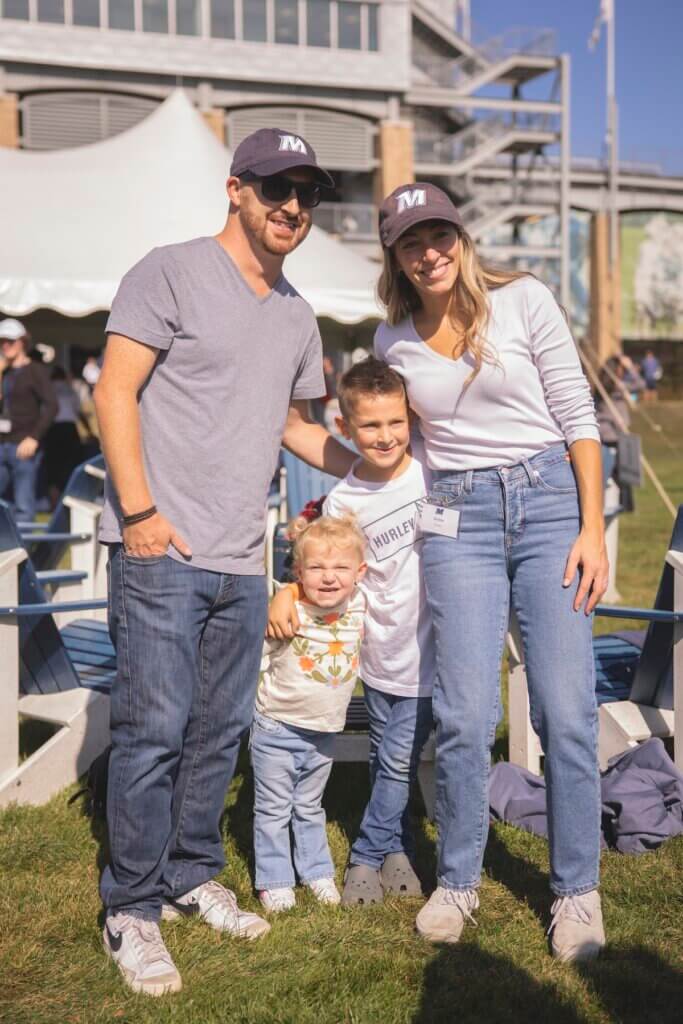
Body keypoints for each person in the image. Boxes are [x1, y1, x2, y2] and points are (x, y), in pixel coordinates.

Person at [94, 127, 355, 996]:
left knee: (214, 733)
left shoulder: (296, 313)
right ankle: (130, 906)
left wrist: (374, 460)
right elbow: (114, 389)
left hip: (244, 560)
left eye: (306, 194)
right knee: (152, 731)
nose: (292, 207)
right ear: (235, 190)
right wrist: (139, 514)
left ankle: (189, 870)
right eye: (276, 189)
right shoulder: (168, 270)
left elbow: (294, 425)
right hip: (161, 546)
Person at [374, 183, 609, 962]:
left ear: (462, 239)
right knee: (466, 716)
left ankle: (576, 891)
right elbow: (396, 443)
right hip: (456, 521)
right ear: (397, 259)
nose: (429, 252)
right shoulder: (391, 340)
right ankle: (459, 881)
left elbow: (577, 414)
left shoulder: (525, 300)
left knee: (566, 711)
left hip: (547, 506)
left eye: (440, 235)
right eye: (412, 242)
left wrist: (591, 529)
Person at [269, 357, 435, 906]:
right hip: (374, 651)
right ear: (345, 429)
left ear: (411, 418)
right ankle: (398, 848)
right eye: (370, 426)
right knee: (389, 755)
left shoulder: (431, 471)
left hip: (430, 648)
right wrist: (289, 588)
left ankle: (365, 853)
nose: (384, 437)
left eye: (395, 423)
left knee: (396, 759)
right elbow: (320, 567)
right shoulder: (342, 501)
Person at [253, 514, 366, 913]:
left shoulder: (360, 606)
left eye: (341, 568)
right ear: (299, 572)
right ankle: (275, 880)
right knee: (272, 809)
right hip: (276, 726)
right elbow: (258, 660)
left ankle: (316, 872)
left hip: (324, 732)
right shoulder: (288, 613)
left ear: (360, 572)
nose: (329, 577)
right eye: (317, 568)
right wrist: (284, 593)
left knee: (309, 806)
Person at [0, 317, 57, 523]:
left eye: (10, 341)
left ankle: (23, 553)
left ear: (22, 342)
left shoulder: (35, 371)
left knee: (23, 504)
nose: (5, 346)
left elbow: (52, 406)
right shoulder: (3, 371)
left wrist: (34, 437)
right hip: (2, 443)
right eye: (2, 342)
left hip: (23, 445)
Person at [43, 366, 87, 506]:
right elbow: (78, 411)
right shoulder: (70, 390)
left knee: (53, 467)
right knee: (70, 465)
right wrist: (89, 431)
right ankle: (67, 500)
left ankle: (54, 502)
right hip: (69, 429)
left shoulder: (48, 390)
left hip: (53, 428)